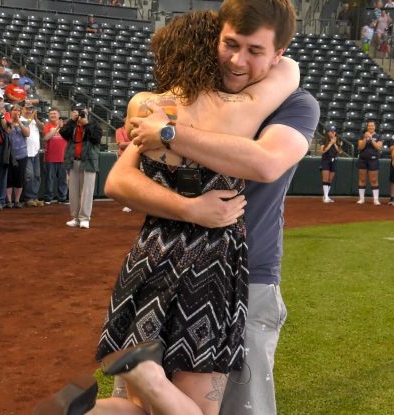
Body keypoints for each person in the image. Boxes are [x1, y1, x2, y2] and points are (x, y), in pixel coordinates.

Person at [34, 2, 314, 414]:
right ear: (212, 44)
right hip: (217, 268)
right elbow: (119, 181)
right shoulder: (242, 107)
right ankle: (144, 376)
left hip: (160, 258)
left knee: (146, 406)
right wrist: (193, 209)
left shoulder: (152, 108)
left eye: (255, 51)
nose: (237, 60)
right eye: (230, 45)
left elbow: (267, 162)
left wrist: (169, 132)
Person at [60, 103, 102, 229]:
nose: (80, 113)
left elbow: (96, 139)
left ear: (87, 111)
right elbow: (63, 133)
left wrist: (86, 124)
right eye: (77, 110)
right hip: (73, 161)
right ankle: (75, 218)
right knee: (73, 191)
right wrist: (72, 121)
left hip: (88, 161)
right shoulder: (72, 125)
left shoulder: (94, 124)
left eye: (82, 110)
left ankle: (84, 218)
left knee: (87, 191)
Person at [3, 104, 30, 208]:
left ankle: (17, 201)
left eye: (18, 110)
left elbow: (27, 134)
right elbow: (7, 132)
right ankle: (9, 201)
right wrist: (12, 123)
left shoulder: (24, 122)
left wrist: (19, 122)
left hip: (21, 154)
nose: (16, 112)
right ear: (11, 111)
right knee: (9, 178)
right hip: (9, 154)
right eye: (14, 110)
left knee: (19, 178)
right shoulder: (7, 122)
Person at [42, 109, 68, 205]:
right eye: (51, 114)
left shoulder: (66, 126)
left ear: (59, 115)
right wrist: (57, 127)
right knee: (49, 179)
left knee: (63, 180)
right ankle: (48, 198)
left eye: (54, 113)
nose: (52, 115)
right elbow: (46, 138)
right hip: (50, 157)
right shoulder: (47, 126)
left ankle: (62, 198)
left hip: (63, 157)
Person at [21, 102, 44, 207]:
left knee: (37, 175)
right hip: (26, 152)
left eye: (30, 109)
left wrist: (36, 118)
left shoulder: (34, 121)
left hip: (35, 152)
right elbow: (25, 126)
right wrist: (32, 117)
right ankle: (29, 197)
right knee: (29, 176)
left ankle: (35, 197)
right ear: (22, 109)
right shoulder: (21, 119)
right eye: (26, 109)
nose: (29, 111)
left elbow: (43, 128)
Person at [356, 120, 383, 205]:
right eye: (369, 126)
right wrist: (365, 138)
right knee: (362, 179)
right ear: (367, 127)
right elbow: (360, 147)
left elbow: (378, 147)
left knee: (374, 180)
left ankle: (376, 199)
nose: (371, 127)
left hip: (373, 159)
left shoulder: (378, 136)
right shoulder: (362, 135)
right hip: (363, 159)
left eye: (372, 126)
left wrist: (371, 139)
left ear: (375, 127)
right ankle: (361, 199)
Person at [320, 126, 341, 203]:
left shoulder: (337, 139)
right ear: (328, 132)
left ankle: (326, 196)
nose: (333, 133)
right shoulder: (324, 139)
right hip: (326, 160)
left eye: (334, 131)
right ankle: (326, 197)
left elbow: (339, 151)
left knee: (330, 179)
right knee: (325, 179)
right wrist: (330, 143)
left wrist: (334, 144)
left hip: (334, 160)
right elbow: (322, 151)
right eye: (331, 131)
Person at [115, 121, 132, 212]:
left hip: (136, 157)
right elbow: (121, 144)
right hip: (124, 158)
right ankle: (128, 203)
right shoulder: (120, 130)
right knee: (125, 182)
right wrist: (134, 142)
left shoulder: (136, 130)